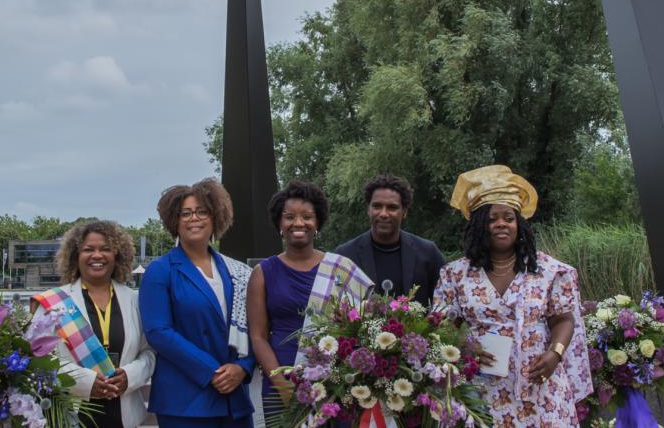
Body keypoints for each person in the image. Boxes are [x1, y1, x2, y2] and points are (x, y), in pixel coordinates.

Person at [433, 165, 592, 426]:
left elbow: (563, 319)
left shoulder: (550, 271)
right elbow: (443, 326)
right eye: (492, 218)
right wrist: (464, 348)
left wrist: (555, 354)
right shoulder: (455, 274)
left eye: (509, 217)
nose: (501, 224)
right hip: (482, 389)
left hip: (540, 386)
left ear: (519, 224)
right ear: (479, 225)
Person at [246, 180, 372, 423]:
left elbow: (365, 327)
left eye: (307, 216)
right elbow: (258, 336)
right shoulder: (263, 272)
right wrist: (282, 385)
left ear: (318, 223)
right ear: (279, 224)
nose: (298, 223)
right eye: (289, 216)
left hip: (336, 381)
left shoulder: (341, 268)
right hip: (281, 377)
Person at [140, 179, 257, 428]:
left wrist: (243, 368)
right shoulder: (160, 271)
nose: (194, 218)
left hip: (234, 400)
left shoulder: (236, 270)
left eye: (202, 211)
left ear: (216, 217)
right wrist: (211, 371)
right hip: (185, 402)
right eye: (186, 213)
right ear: (174, 221)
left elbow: (254, 327)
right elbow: (158, 332)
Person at [32, 220, 156, 428]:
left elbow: (149, 352)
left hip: (124, 415)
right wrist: (85, 381)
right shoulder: (54, 303)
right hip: (71, 414)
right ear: (75, 256)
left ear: (117, 255)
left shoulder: (134, 300)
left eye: (106, 249)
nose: (97, 255)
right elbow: (37, 358)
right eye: (88, 249)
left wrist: (129, 376)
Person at [334, 173, 447, 305]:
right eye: (377, 206)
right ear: (368, 209)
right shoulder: (345, 256)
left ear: (404, 211)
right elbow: (333, 306)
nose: (383, 214)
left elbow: (446, 305)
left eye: (392, 207)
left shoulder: (428, 253)